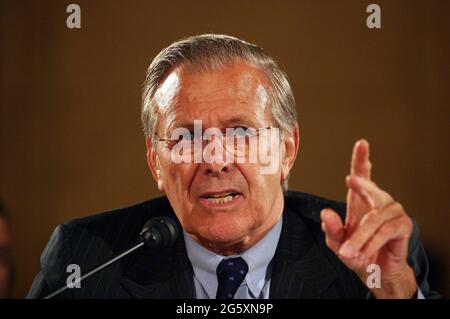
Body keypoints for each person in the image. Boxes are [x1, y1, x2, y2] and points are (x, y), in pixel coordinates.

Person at [27, 34, 438, 299]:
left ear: (286, 150)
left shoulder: (368, 264)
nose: (215, 160)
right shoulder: (83, 261)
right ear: (156, 161)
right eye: (186, 137)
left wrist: (395, 291)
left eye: (240, 133)